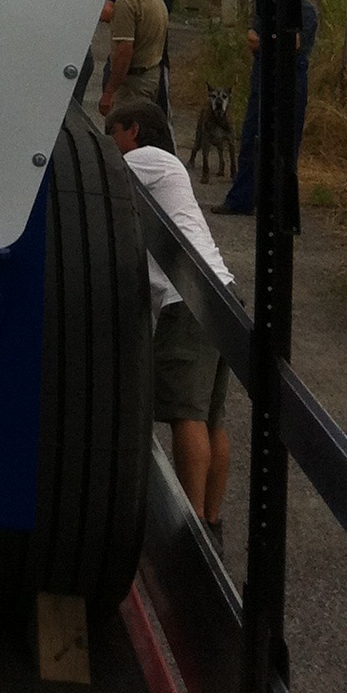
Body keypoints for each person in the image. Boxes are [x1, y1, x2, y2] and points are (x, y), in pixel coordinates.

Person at [109, 97, 234, 545]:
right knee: (212, 417)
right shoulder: (170, 170)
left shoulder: (145, 160)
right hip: (221, 292)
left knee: (186, 416)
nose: (111, 145)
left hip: (189, 298)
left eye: (113, 134)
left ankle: (191, 531)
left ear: (133, 131)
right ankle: (211, 523)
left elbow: (97, 177)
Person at [220, 0, 318, 219]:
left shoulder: (306, 11)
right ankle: (242, 199)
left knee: (287, 141)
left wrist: (266, 42)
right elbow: (252, 38)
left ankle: (279, 205)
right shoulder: (266, 6)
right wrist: (274, 41)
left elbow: (294, 45)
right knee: (252, 135)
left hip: (291, 78)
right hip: (263, 74)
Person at [100, 0, 168, 117]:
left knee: (124, 127)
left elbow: (124, 51)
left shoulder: (127, 1)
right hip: (151, 75)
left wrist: (109, 92)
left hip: (132, 83)